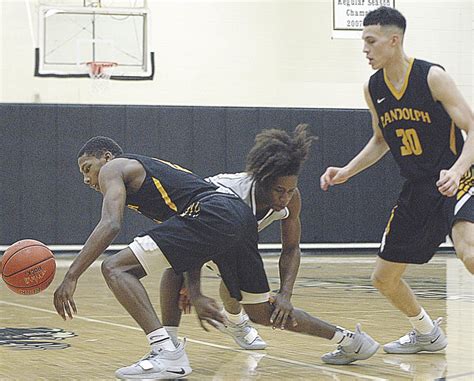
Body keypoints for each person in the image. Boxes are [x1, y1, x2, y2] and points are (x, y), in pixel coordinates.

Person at [54, 135, 379, 380]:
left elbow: (111, 223)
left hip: (215, 215)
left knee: (116, 267)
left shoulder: (114, 168)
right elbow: (193, 235)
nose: (87, 178)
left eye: (87, 168)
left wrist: (71, 276)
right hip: (234, 223)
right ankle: (350, 341)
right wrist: (194, 290)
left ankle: (167, 351)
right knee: (262, 313)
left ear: (106, 157)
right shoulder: (222, 189)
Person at [320, 6, 474, 355]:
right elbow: (381, 140)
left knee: (469, 252)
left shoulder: (432, 76)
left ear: (394, 40)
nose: (365, 49)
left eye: (371, 41)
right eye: (363, 41)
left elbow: (472, 127)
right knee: (383, 279)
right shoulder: (374, 88)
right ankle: (427, 333)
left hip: (457, 177)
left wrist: (459, 170)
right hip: (418, 187)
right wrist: (346, 171)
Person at [160, 124, 308, 351]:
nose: (285, 198)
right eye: (280, 190)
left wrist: (285, 293)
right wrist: (193, 285)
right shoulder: (229, 192)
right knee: (175, 267)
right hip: (195, 222)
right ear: (263, 181)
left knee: (239, 281)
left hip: (230, 239)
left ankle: (235, 322)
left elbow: (291, 248)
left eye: (290, 190)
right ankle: (167, 344)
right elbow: (193, 238)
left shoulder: (291, 198)